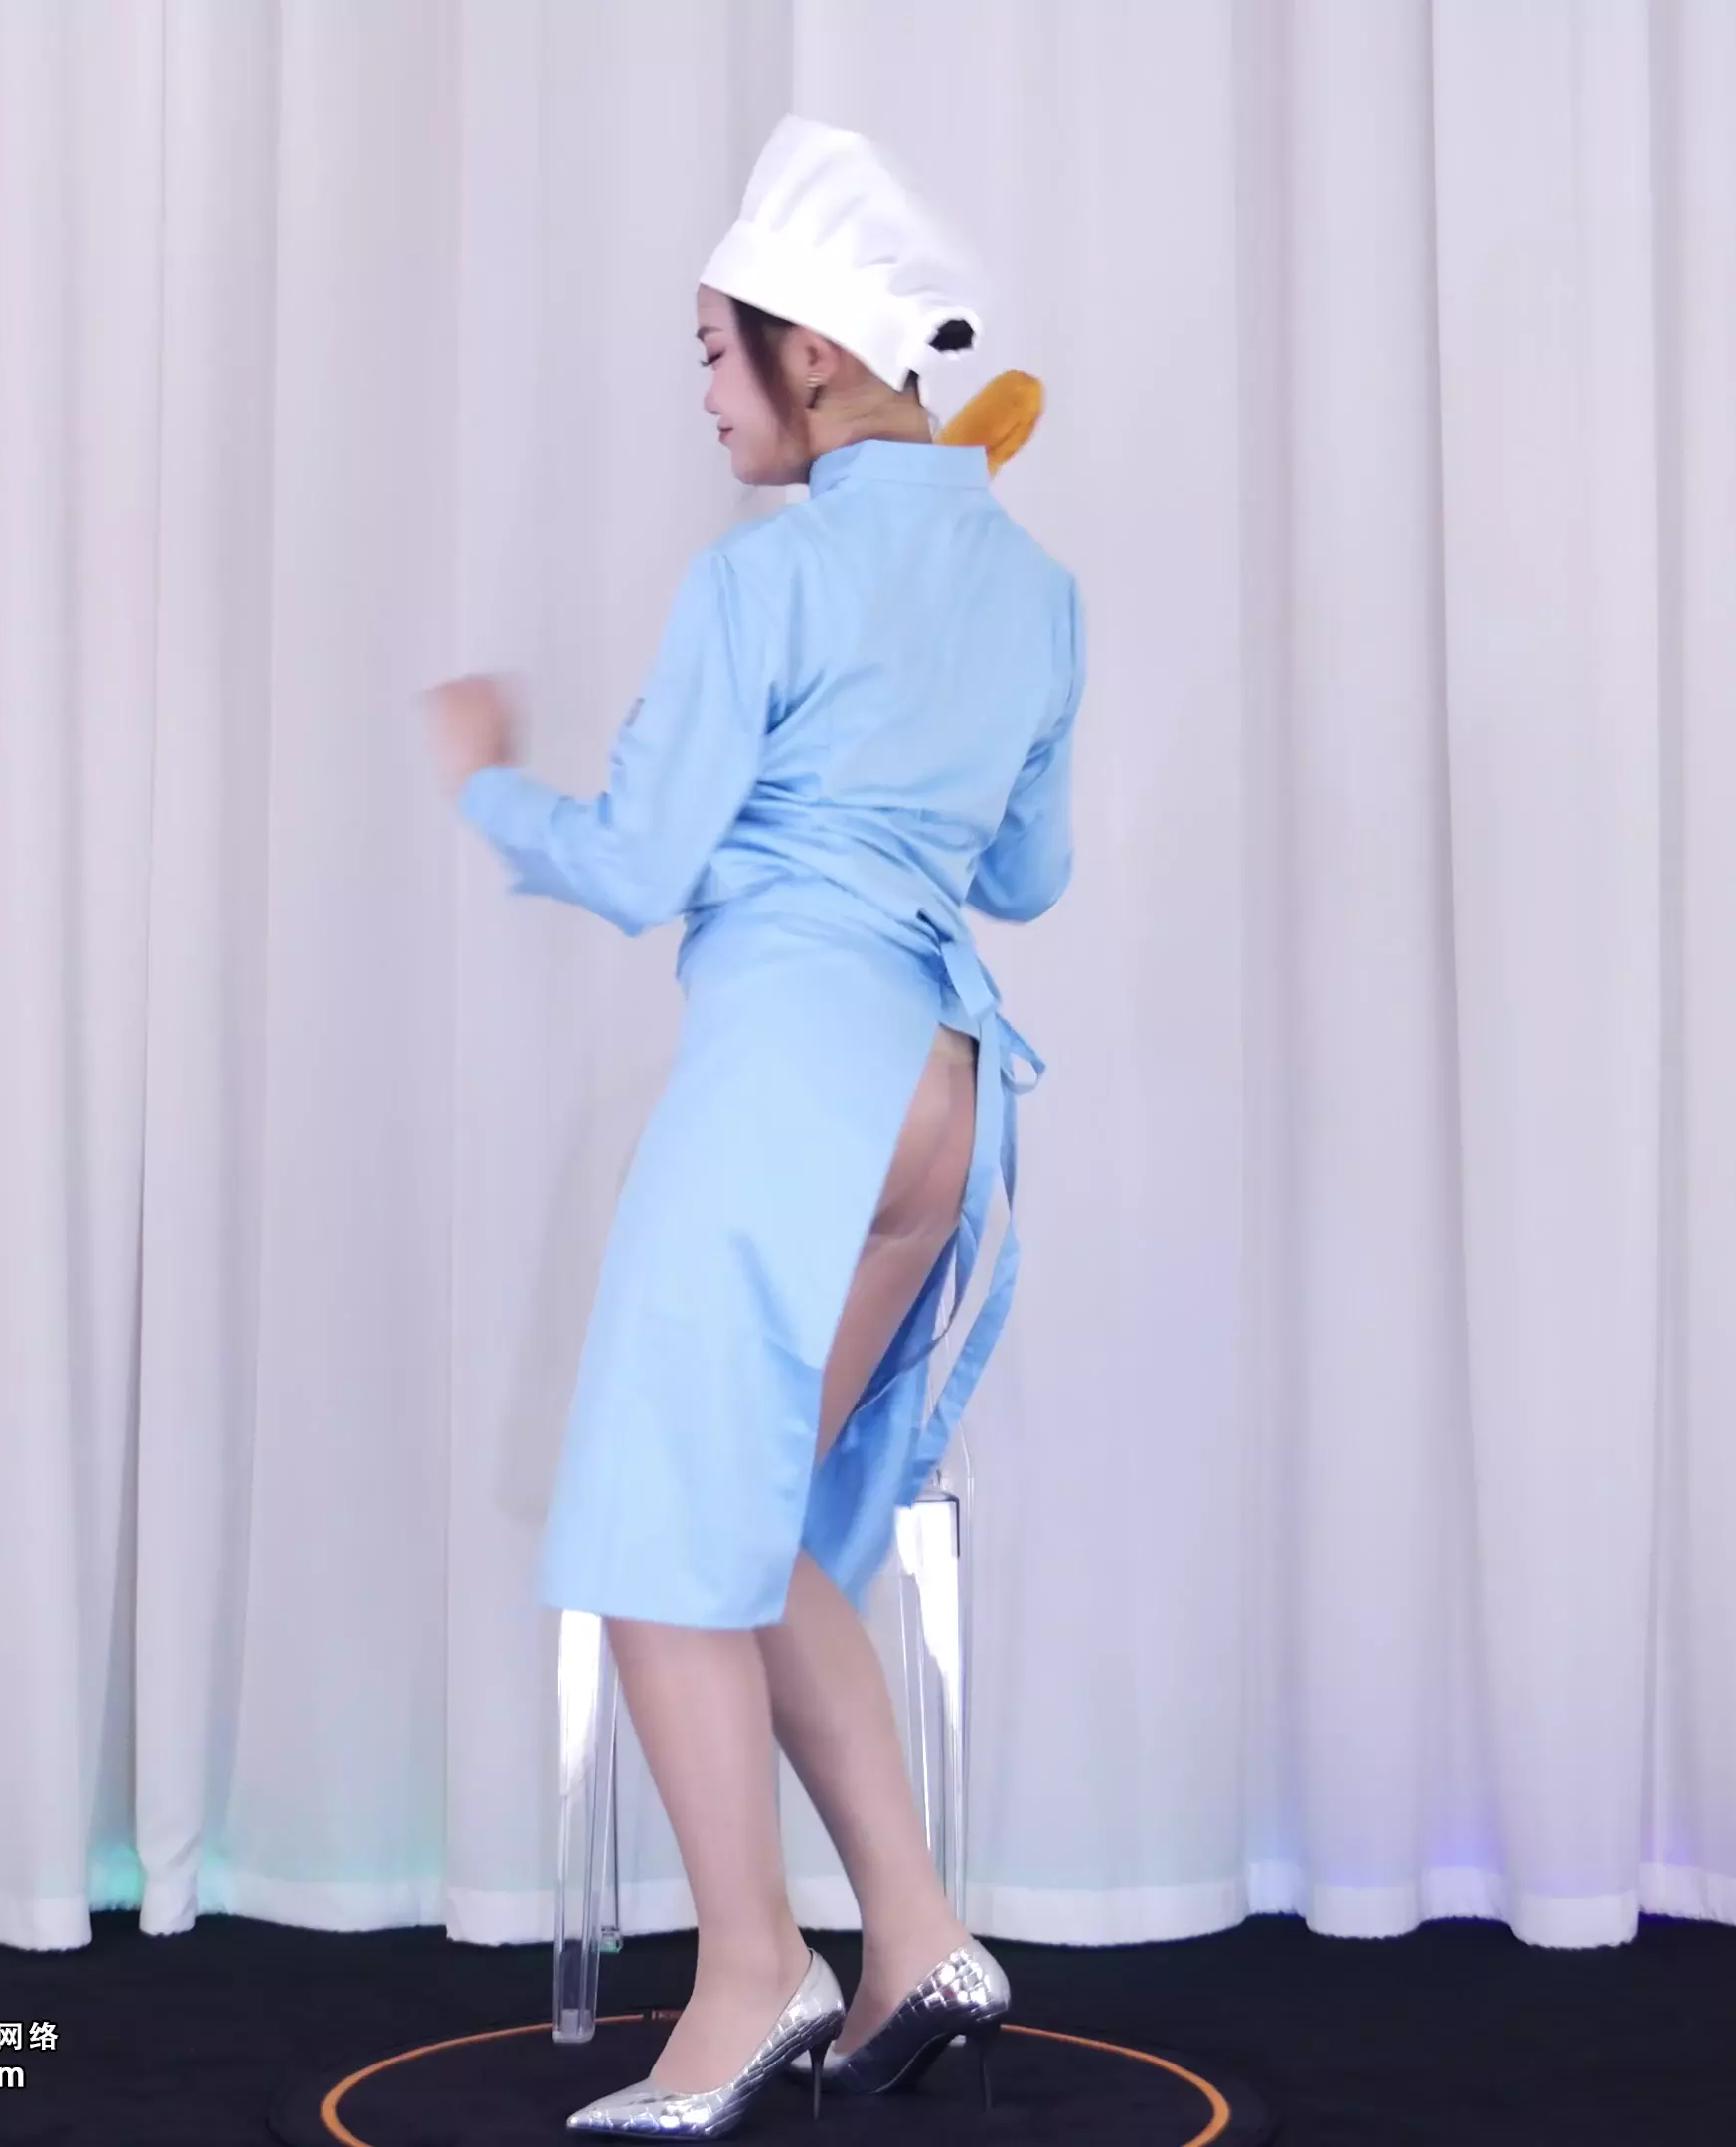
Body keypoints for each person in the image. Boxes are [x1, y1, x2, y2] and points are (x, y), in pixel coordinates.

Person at [419, 114, 1079, 2138]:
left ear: (813, 352)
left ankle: (746, 1973)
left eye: (715, 353)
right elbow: (1027, 873)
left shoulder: (764, 578)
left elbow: (638, 864)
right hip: (941, 1099)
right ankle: (918, 1934)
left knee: (652, 1530)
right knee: (759, 1528)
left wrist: (485, 783)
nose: (704, 398)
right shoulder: (1034, 584)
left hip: (793, 1084)